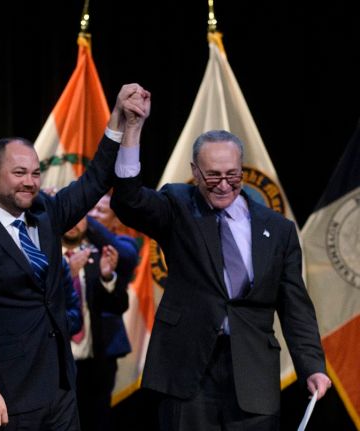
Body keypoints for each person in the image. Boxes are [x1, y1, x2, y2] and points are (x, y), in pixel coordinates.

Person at [109, 85, 331, 429]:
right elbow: (128, 201)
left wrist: (312, 366)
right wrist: (133, 129)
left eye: (232, 175)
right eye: (212, 175)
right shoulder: (178, 205)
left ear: (242, 169)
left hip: (253, 373)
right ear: (195, 171)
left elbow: (295, 305)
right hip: (187, 372)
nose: (224, 184)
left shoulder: (278, 229)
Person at [0, 84, 134, 429]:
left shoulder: (46, 214)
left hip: (58, 388)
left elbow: (95, 179)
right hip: (5, 392)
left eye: (35, 173)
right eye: (19, 173)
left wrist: (118, 121)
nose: (29, 182)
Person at [62, 216, 137, 431]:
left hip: (95, 364)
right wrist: (68, 273)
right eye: (70, 216)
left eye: (80, 217)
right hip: (58, 364)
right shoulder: (44, 255)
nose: (74, 223)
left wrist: (107, 277)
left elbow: (118, 306)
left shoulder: (100, 255)